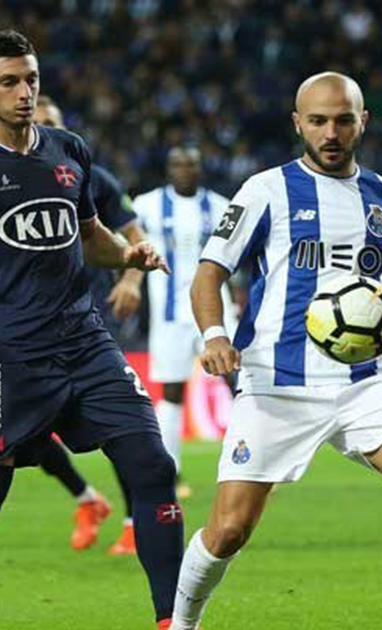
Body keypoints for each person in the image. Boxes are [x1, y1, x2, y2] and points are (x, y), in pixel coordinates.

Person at [169, 73, 382, 630]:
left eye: (343, 119)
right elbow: (209, 273)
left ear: (362, 122)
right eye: (317, 120)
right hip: (275, 383)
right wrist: (215, 335)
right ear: (298, 124)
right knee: (228, 530)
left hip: (364, 381)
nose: (331, 131)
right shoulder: (264, 191)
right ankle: (181, 623)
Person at [0, 31, 185, 630]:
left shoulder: (68, 149)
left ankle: (172, 623)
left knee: (152, 466)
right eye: (9, 82)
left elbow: (93, 238)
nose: (25, 93)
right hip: (5, 360)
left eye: (32, 80)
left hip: (85, 343)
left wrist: (129, 256)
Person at [31, 94, 148, 554]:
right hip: (30, 326)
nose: (44, 127)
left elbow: (135, 237)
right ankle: (86, 498)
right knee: (25, 435)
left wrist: (133, 280)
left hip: (89, 319)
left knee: (117, 427)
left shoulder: (91, 178)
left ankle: (135, 522)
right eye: (38, 120)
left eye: (52, 120)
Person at [132, 146, 234, 502]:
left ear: (200, 168)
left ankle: (250, 464)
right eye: (178, 164)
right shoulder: (146, 205)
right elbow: (125, 240)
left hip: (217, 311)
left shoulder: (221, 207)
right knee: (172, 394)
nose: (185, 170)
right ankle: (170, 472)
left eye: (191, 164)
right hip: (170, 316)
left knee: (240, 383)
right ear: (168, 168)